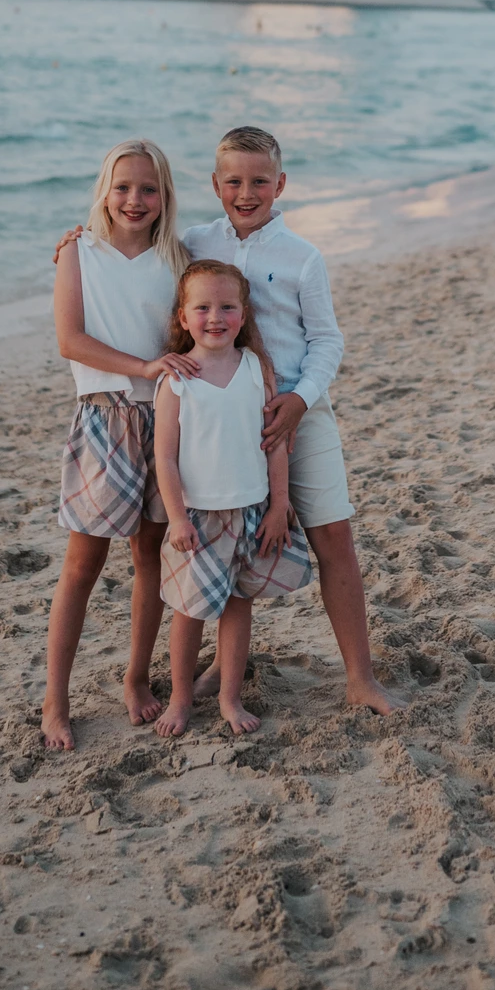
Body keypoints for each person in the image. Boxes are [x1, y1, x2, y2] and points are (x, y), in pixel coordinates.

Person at [183, 126, 396, 715]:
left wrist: (300, 401)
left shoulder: (302, 256)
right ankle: (222, 664)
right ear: (216, 184)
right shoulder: (196, 241)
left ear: (280, 183)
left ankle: (361, 678)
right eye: (233, 181)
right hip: (224, 418)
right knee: (217, 538)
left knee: (333, 535)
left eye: (259, 181)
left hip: (301, 410)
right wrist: (79, 241)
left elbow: (327, 340)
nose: (246, 193)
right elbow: (138, 250)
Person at [42, 139, 191, 750]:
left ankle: (135, 678)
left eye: (148, 189)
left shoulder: (177, 256)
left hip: (164, 423)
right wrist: (145, 366)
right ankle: (55, 701)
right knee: (82, 565)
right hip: (104, 423)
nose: (135, 200)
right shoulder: (79, 252)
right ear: (104, 190)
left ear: (165, 197)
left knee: (150, 559)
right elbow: (70, 341)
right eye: (122, 187)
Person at [153, 259, 312, 737]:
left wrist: (280, 503)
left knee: (239, 605)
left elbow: (274, 441)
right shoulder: (177, 380)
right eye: (202, 308)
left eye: (227, 306)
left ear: (244, 315)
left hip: (252, 509)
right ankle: (180, 699)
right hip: (197, 518)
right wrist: (177, 519)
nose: (215, 317)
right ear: (183, 318)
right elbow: (164, 457)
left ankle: (228, 697)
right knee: (190, 613)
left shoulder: (256, 368)